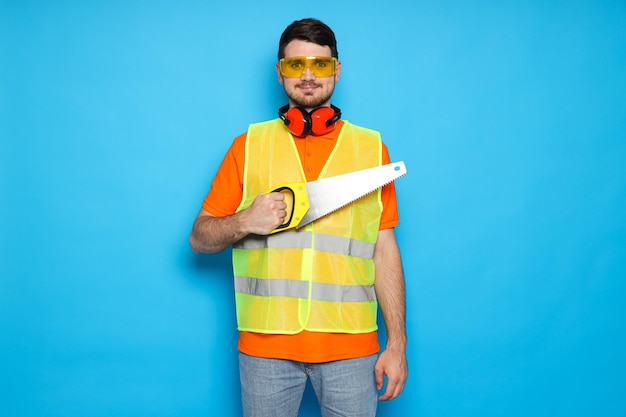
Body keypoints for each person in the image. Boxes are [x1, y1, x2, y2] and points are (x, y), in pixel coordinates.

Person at [190, 18, 408, 417]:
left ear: (337, 70)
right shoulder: (248, 146)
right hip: (265, 348)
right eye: (295, 66)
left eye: (320, 65)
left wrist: (397, 344)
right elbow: (200, 239)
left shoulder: (371, 150)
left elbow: (385, 250)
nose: (308, 76)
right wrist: (243, 221)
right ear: (280, 72)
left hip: (352, 348)